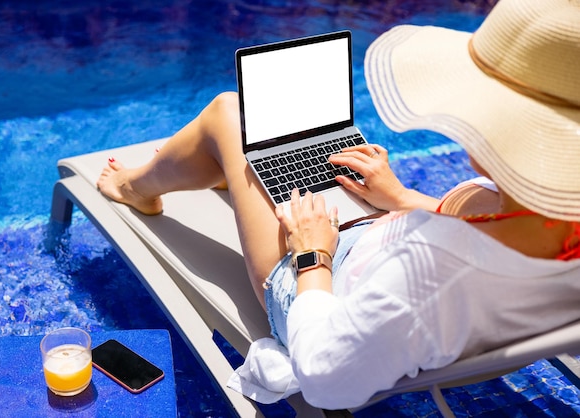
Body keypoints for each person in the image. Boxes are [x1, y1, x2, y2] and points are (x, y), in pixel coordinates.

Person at [97, 0, 580, 409]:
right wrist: (402, 199)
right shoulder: (559, 224)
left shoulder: (430, 272)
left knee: (230, 114)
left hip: (323, 279)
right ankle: (226, 168)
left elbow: (327, 379)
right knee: (264, 154)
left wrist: (312, 253)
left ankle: (136, 187)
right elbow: (496, 239)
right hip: (386, 254)